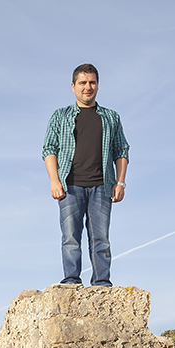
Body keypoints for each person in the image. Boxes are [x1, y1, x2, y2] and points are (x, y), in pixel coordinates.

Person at [41, 64, 128, 286]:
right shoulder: (60, 116)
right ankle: (71, 280)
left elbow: (122, 150)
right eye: (82, 83)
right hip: (70, 186)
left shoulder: (110, 117)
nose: (87, 87)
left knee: (101, 239)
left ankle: (101, 283)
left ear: (97, 85)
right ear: (73, 86)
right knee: (70, 238)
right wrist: (54, 181)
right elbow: (49, 149)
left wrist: (120, 182)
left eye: (92, 82)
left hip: (102, 185)